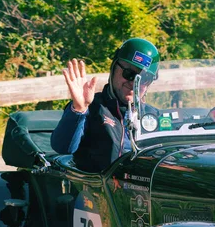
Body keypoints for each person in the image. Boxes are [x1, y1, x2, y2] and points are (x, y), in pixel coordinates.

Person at [51, 38, 160, 172]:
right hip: (96, 190)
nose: (134, 83)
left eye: (144, 79)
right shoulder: (93, 108)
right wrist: (79, 109)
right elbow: (63, 147)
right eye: (129, 74)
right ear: (114, 68)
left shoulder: (154, 117)